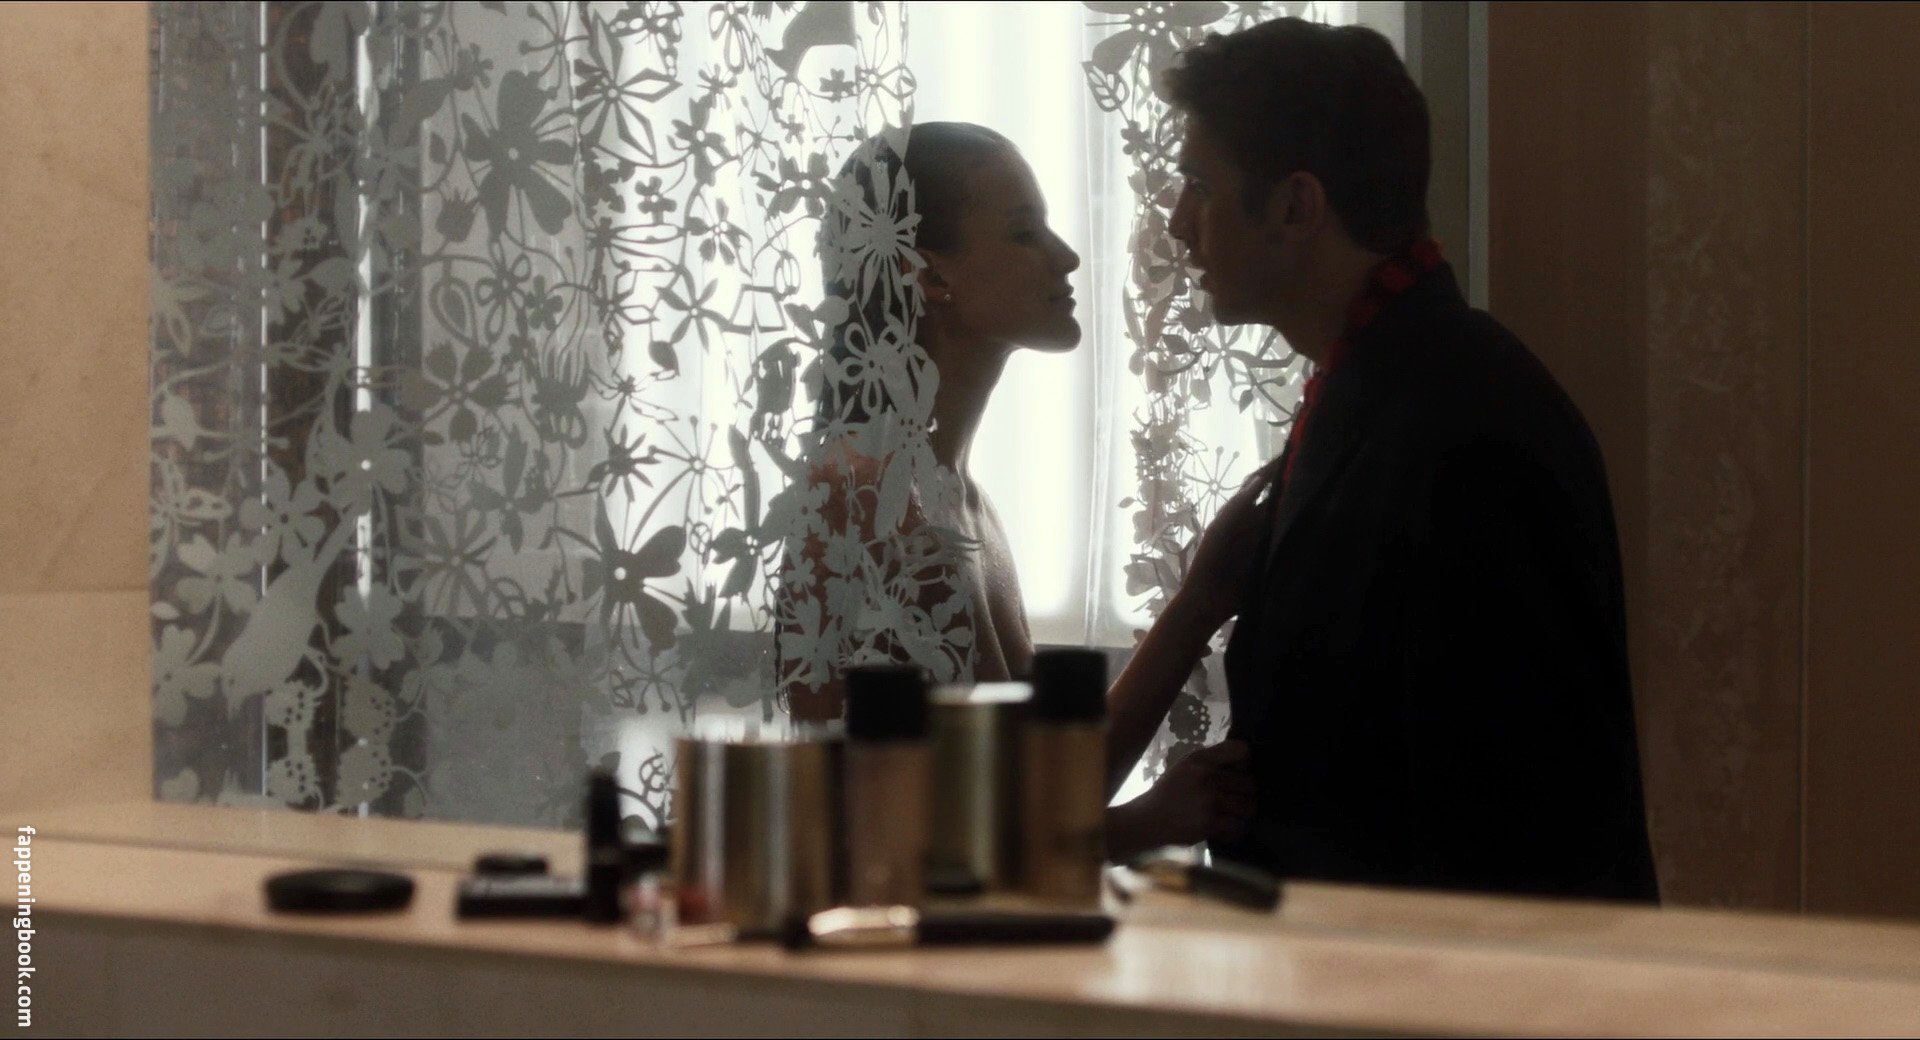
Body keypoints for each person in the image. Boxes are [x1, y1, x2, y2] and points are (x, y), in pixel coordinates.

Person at [1103, 18, 1660, 902]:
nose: (1176, 222)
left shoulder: (1471, 422)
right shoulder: (1386, 389)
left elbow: (1523, 818)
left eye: (1199, 185)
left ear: (1296, 207)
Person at [778, 122, 1082, 721]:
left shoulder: (968, 504)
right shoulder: (861, 494)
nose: (1066, 257)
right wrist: (1196, 605)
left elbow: (1029, 764)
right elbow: (836, 765)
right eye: (1026, 233)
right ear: (931, 276)